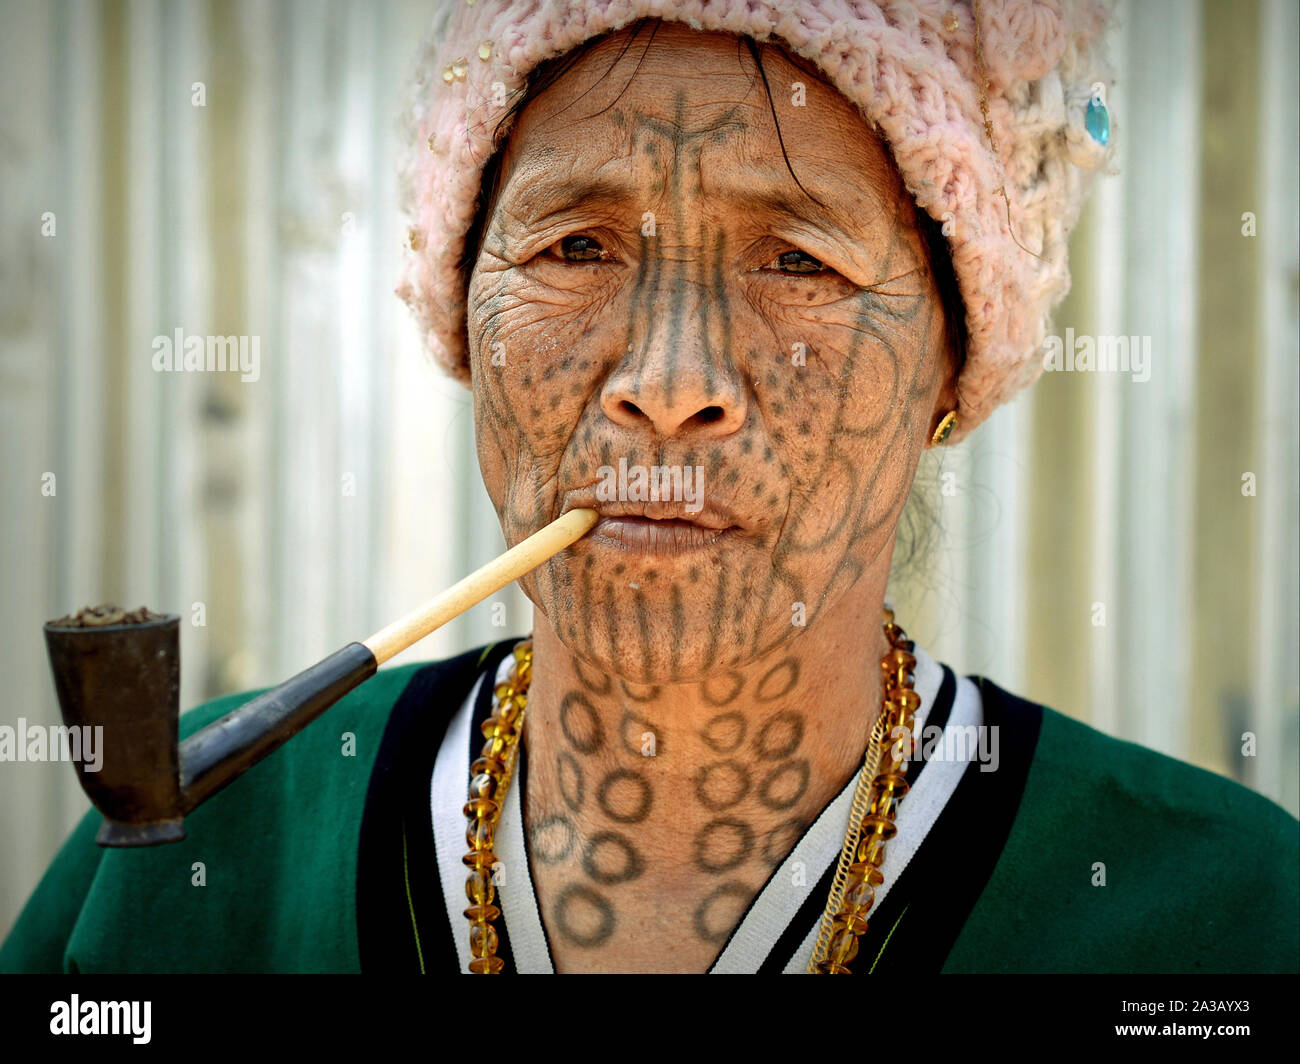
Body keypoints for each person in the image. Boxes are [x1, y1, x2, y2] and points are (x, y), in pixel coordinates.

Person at [3, 0, 1297, 975]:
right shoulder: (198, 855)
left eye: (796, 260)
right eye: (576, 246)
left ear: (956, 367)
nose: (669, 381)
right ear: (462, 319)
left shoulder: (1216, 918)